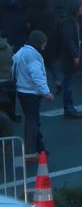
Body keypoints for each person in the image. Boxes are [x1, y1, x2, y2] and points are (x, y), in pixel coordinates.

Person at [12, 30, 54, 160]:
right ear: (39, 43)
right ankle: (30, 152)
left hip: (22, 90)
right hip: (31, 93)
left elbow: (14, 67)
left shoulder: (21, 52)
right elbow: (37, 76)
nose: (44, 47)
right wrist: (46, 92)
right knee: (32, 122)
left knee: (33, 121)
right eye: (43, 44)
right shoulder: (33, 56)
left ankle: (40, 148)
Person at [57, 0, 82, 119]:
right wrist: (75, 55)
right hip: (68, 57)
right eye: (80, 7)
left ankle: (69, 107)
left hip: (68, 56)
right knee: (68, 84)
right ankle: (69, 108)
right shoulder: (68, 22)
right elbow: (68, 40)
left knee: (68, 83)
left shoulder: (70, 20)